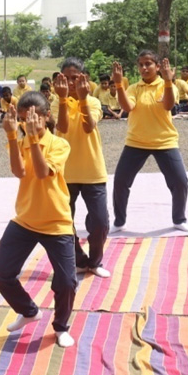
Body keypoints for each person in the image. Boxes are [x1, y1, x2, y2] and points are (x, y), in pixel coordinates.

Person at [0, 93, 77, 348]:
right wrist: (11, 135)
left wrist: (32, 138)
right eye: (22, 118)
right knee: (1, 273)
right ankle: (29, 311)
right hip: (25, 220)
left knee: (67, 282)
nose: (28, 122)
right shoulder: (20, 142)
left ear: (46, 116)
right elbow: (19, 172)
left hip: (56, 222)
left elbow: (41, 173)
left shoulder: (59, 144)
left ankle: (61, 327)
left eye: (34, 117)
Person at [111, 52, 188, 233]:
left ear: (157, 66)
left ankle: (179, 219)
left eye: (148, 64)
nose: (144, 68)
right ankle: (119, 222)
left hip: (164, 141)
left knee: (180, 182)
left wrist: (168, 81)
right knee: (120, 181)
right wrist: (118, 84)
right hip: (136, 141)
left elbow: (168, 106)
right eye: (140, 64)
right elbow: (127, 107)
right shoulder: (133, 88)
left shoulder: (166, 85)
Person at [52, 58, 111, 278]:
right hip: (65, 174)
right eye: (65, 78)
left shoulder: (94, 102)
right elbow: (63, 126)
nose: (70, 82)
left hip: (92, 172)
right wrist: (62, 98)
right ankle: (78, 260)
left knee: (100, 222)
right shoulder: (58, 102)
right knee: (65, 221)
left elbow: (88, 126)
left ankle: (95, 261)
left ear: (84, 79)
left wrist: (84, 98)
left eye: (74, 78)